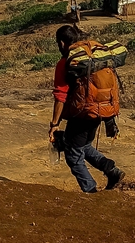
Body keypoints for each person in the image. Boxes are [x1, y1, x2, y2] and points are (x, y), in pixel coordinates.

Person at [48, 25, 125, 193]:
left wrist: (54, 124)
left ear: (62, 43)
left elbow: (60, 96)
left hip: (82, 113)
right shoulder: (93, 55)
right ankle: (112, 171)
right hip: (102, 111)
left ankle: (90, 190)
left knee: (73, 155)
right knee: (83, 145)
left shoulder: (66, 62)